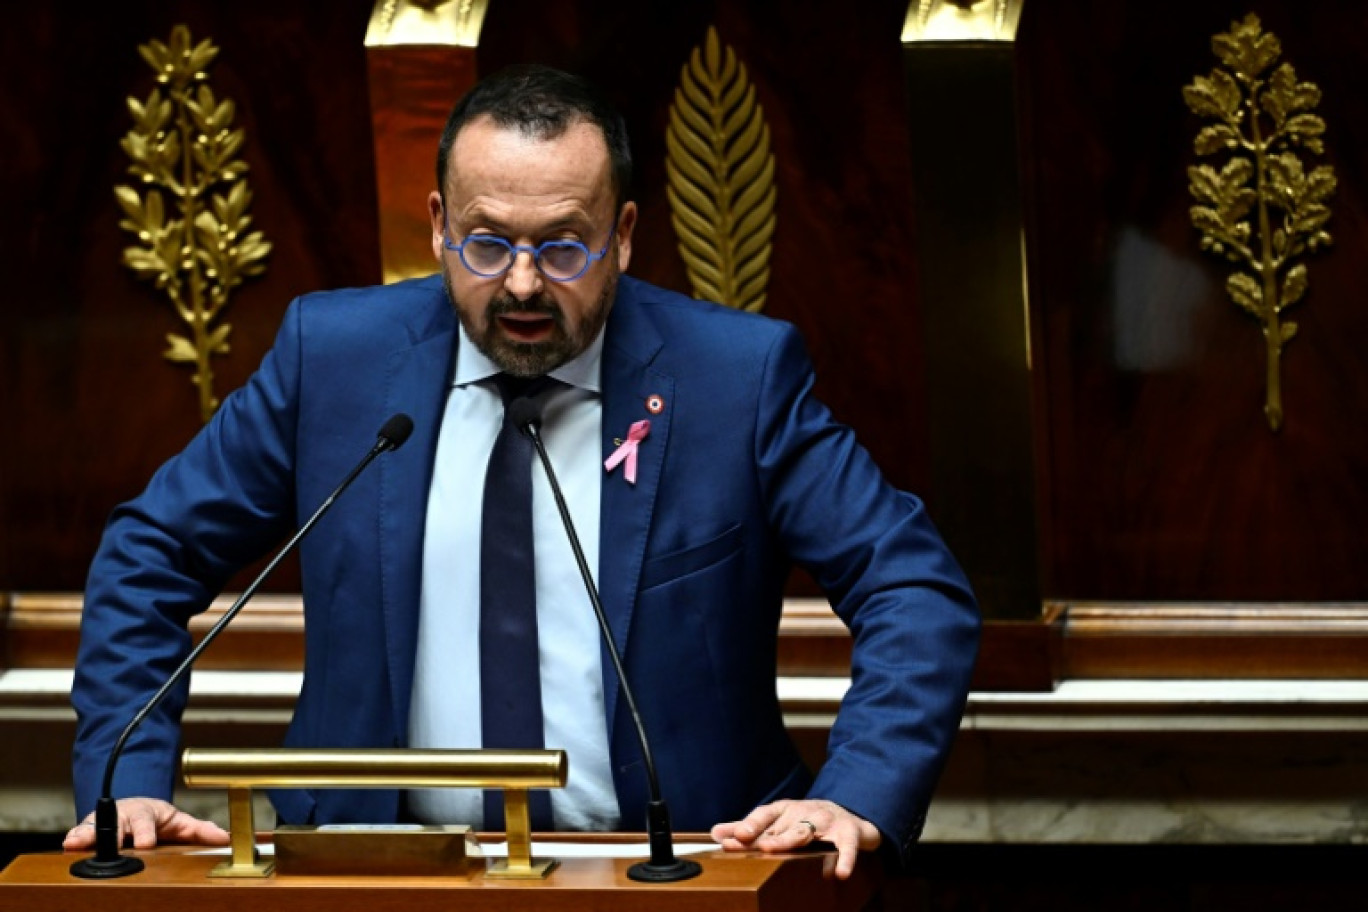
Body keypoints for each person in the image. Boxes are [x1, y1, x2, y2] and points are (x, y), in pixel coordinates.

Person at [65, 63, 979, 879]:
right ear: (437, 227)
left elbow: (912, 587)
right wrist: (129, 781)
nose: (525, 285)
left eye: (564, 246)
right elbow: (151, 550)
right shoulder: (334, 361)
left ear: (622, 234)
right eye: (489, 242)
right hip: (371, 876)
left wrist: (856, 788)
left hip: (675, 873)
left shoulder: (734, 379)